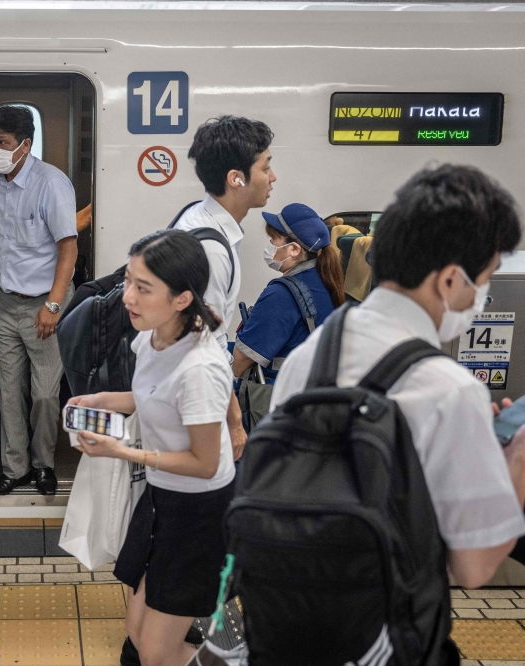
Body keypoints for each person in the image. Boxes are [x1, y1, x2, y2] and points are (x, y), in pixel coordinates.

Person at [271, 165, 525, 657]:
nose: (481, 297)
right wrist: (515, 465)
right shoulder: (449, 389)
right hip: (384, 637)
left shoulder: (315, 352)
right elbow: (473, 568)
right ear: (451, 278)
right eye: (485, 280)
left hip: (293, 620)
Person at [70, 230, 236, 666]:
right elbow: (149, 397)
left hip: (199, 512)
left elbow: (205, 463)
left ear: (182, 299)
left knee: (156, 651)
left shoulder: (199, 368)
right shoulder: (152, 336)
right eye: (128, 280)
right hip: (162, 497)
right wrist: (102, 401)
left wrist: (123, 452)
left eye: (143, 288)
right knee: (139, 633)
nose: (128, 296)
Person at [0, 104, 79, 496]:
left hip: (46, 303)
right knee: (9, 392)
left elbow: (68, 250)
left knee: (43, 394)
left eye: (2, 142)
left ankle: (43, 465)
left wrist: (54, 306)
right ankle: (14, 468)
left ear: (25, 144)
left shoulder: (51, 183)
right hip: (6, 302)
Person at [171, 115, 277, 461]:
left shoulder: (195, 218)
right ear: (236, 178)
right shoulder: (212, 249)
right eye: (265, 167)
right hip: (193, 401)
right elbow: (204, 341)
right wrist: (233, 420)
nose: (272, 177)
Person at [232, 203, 344, 382]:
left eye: (274, 239)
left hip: (279, 394)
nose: (270, 244)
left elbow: (242, 359)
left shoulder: (281, 294)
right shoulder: (325, 281)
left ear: (294, 249)